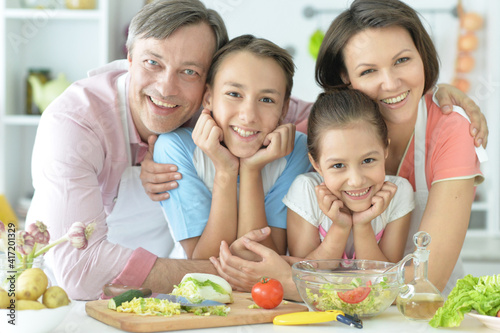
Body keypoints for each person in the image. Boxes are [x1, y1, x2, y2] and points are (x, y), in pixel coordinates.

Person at [210, 0, 486, 298]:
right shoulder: (320, 134)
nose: (391, 83)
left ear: (422, 56)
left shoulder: (450, 130)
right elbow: (252, 123)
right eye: (368, 71)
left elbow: (427, 280)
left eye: (402, 60)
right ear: (345, 78)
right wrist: (154, 142)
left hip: (422, 314)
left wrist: (293, 282)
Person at [154, 35, 312, 260]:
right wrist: (226, 171)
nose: (248, 116)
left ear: (284, 108)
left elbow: (261, 259)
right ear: (208, 98)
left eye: (266, 100)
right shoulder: (176, 148)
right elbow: (202, 265)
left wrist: (251, 170)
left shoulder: (294, 150)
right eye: (234, 94)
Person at [285, 89, 413, 263]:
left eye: (368, 160)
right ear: (316, 164)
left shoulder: (398, 193)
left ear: (385, 151)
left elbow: (386, 279)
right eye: (338, 165)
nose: (356, 180)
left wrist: (363, 225)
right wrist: (340, 227)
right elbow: (303, 274)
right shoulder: (307, 191)